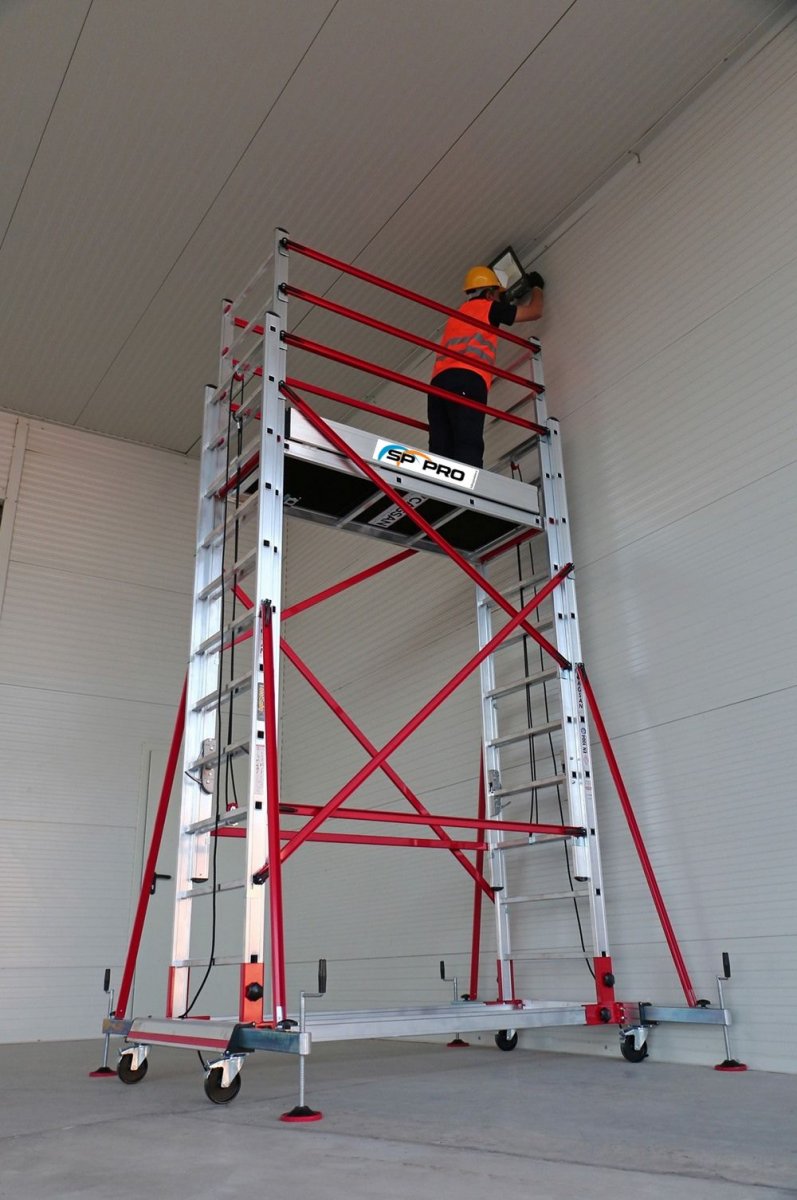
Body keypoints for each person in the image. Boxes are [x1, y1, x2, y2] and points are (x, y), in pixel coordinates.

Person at [427, 265, 545, 468]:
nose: (500, 300)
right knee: (467, 441)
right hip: (468, 378)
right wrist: (537, 287)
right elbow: (535, 312)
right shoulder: (489, 307)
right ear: (489, 294)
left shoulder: (456, 315)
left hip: (437, 385)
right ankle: (470, 485)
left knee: (441, 447)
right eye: (498, 295)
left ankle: (438, 485)